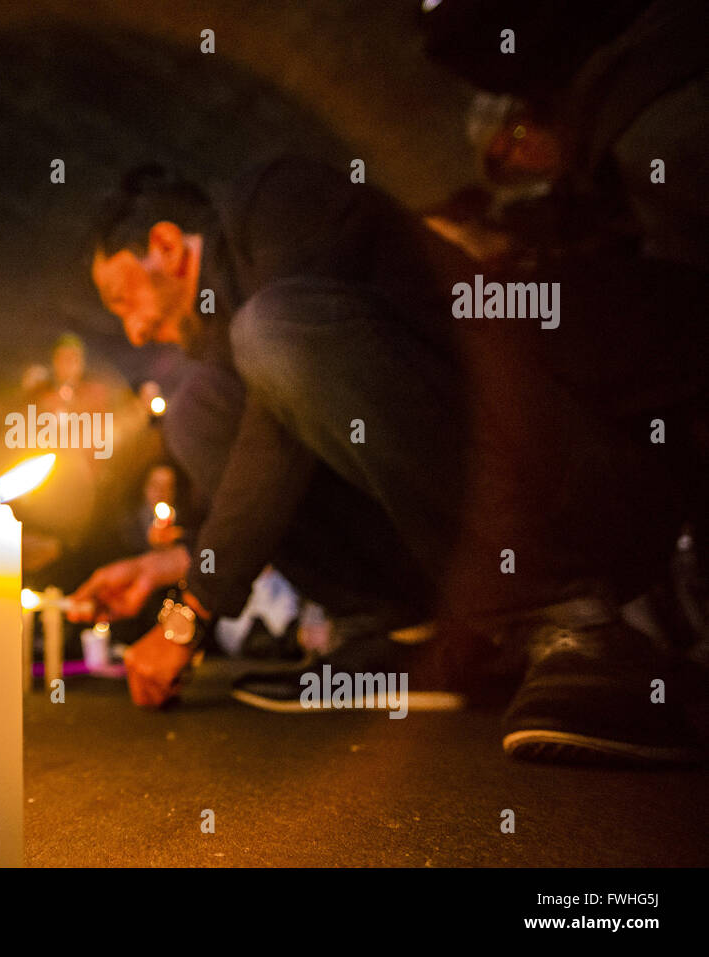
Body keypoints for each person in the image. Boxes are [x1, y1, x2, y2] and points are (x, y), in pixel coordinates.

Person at [69, 157, 706, 763]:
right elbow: (269, 470)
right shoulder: (216, 363)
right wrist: (170, 564)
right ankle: (399, 633)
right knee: (195, 409)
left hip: (569, 480)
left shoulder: (273, 201)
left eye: (122, 300)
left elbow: (281, 401)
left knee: (273, 333)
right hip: (447, 552)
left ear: (167, 245)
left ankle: (574, 625)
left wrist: (191, 612)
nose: (132, 332)